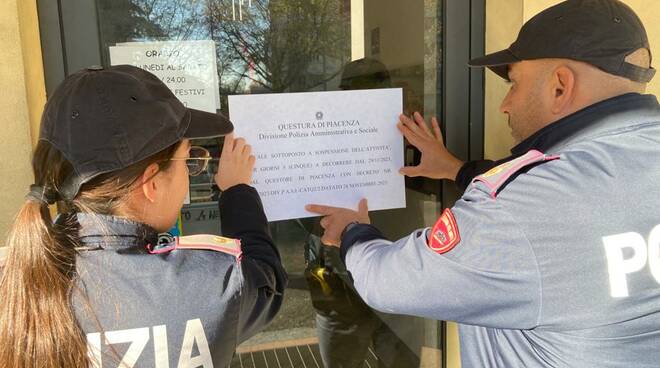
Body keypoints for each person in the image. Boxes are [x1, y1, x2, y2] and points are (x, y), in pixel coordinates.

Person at [307, 0, 660, 367]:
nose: (505, 104)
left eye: (514, 83)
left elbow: (389, 281)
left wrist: (352, 232)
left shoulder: (523, 210)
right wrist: (456, 169)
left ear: (560, 86)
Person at [0, 64, 287, 367]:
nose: (190, 173)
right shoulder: (211, 285)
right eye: (189, 160)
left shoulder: (15, 283)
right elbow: (267, 282)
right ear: (150, 183)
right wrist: (238, 190)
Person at [304, 57, 420, 368]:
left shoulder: (406, 132)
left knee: (400, 360)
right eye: (355, 92)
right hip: (339, 284)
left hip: (395, 272)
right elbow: (302, 212)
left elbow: (427, 182)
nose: (362, 101)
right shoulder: (314, 138)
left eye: (374, 92)